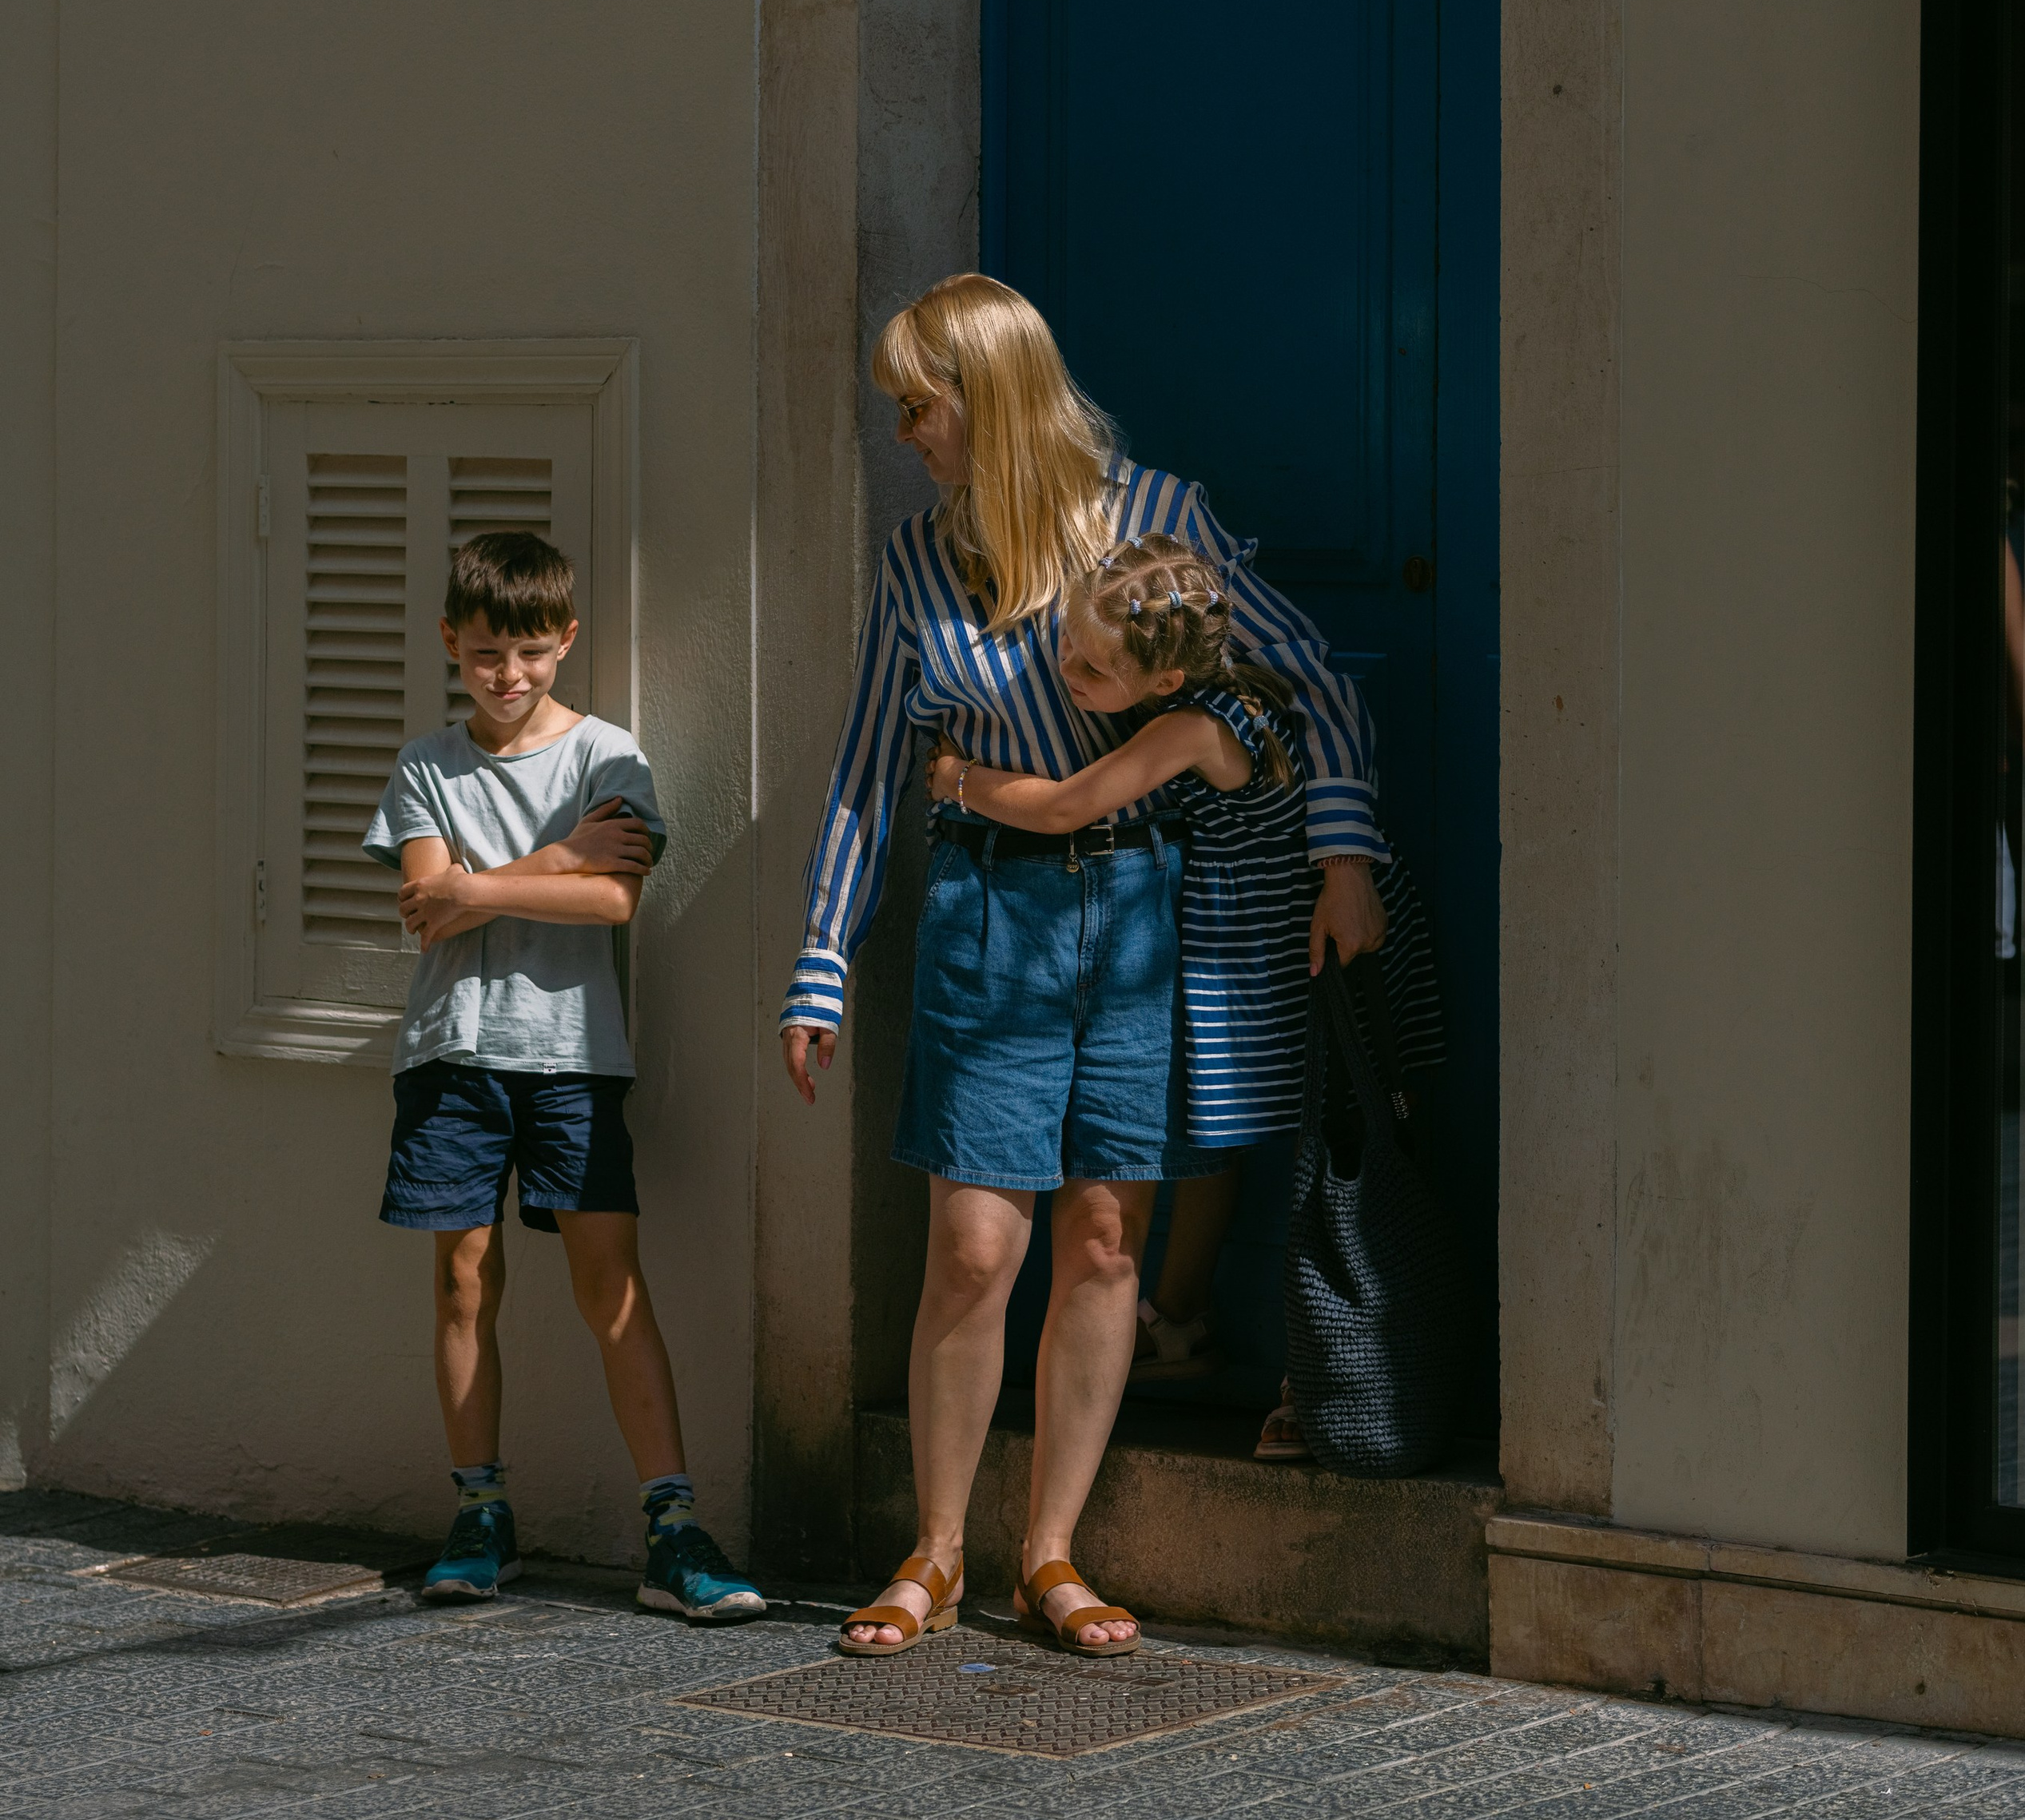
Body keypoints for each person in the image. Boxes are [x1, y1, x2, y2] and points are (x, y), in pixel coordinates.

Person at [780, 273, 1388, 1656]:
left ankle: (1050, 1555)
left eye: (918, 406)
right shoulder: (916, 564)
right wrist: (821, 959)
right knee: (975, 1244)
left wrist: (1345, 860)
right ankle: (933, 1552)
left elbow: (1315, 680)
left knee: (1105, 1240)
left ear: (985, 400)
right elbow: (872, 772)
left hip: (1135, 921)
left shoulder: (1161, 520)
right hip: (990, 926)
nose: (905, 433)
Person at [926, 531, 1442, 1462]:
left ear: (1163, 681)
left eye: (1091, 664)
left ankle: (1313, 1373)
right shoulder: (1210, 676)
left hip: (1288, 946)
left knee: (1312, 1147)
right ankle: (1185, 1320)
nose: (1067, 668)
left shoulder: (1192, 726)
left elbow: (1064, 807)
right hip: (1249, 937)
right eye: (1067, 645)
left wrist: (955, 778)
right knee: (1227, 1129)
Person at [365, 529, 763, 1622]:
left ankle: (673, 1528)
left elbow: (613, 901)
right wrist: (550, 863)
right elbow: (422, 907)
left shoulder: (607, 758)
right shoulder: (423, 768)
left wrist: (480, 890)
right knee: (462, 1280)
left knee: (611, 1284)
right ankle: (479, 1513)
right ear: (453, 641)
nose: (511, 676)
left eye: (533, 652)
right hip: (453, 1058)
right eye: (489, 653)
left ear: (566, 640)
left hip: (573, 1062)